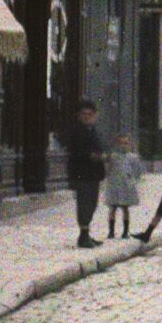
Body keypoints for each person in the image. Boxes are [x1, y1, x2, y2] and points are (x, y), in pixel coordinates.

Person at [66, 102, 107, 249]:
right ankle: (83, 236)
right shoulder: (77, 131)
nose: (87, 117)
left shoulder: (93, 130)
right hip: (81, 173)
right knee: (84, 204)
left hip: (93, 173)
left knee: (92, 203)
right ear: (79, 116)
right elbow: (75, 152)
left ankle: (86, 233)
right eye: (84, 114)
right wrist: (92, 156)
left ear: (95, 116)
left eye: (90, 115)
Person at [103, 134, 145, 240]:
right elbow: (107, 169)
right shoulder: (113, 156)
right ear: (117, 144)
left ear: (129, 144)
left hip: (126, 185)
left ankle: (125, 231)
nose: (123, 145)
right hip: (114, 185)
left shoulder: (133, 157)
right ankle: (111, 231)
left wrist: (132, 180)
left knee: (125, 208)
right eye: (120, 143)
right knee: (112, 208)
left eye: (125, 143)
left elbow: (137, 171)